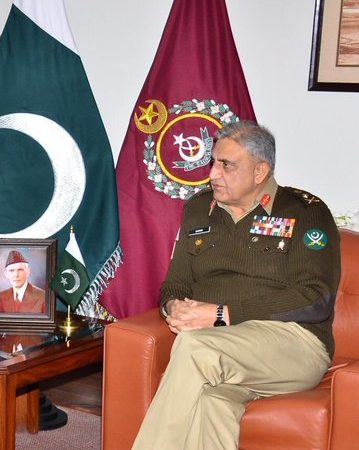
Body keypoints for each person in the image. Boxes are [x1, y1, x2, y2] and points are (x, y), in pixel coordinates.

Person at [132, 121, 340, 450]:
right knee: (213, 402)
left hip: (293, 345)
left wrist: (222, 314)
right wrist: (175, 308)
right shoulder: (199, 209)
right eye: (213, 162)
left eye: (226, 165)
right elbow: (176, 283)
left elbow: (316, 299)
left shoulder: (305, 211)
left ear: (260, 171)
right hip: (222, 344)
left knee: (194, 347)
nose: (213, 174)